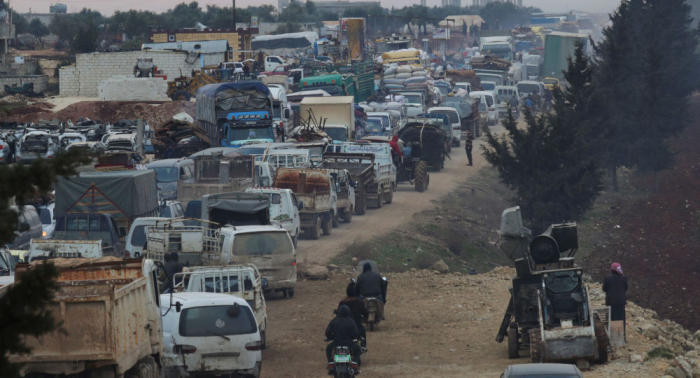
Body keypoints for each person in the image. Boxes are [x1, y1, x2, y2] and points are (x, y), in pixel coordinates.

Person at [325, 305, 362, 371]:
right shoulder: (351, 321)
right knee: (358, 349)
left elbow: (327, 332)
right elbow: (355, 334)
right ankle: (355, 363)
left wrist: (330, 337)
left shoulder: (334, 321)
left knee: (328, 349)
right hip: (349, 343)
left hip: (337, 342)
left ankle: (330, 361)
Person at [603, 262, 628, 340]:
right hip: (621, 302)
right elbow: (626, 288)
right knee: (621, 319)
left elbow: (604, 288)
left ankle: (613, 338)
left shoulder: (608, 278)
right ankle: (622, 337)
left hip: (611, 302)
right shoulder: (624, 278)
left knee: (612, 319)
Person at [338, 282, 368, 347]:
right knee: (363, 331)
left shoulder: (342, 302)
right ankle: (363, 346)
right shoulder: (360, 302)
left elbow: (338, 315)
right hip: (357, 327)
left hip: (343, 328)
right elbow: (365, 314)